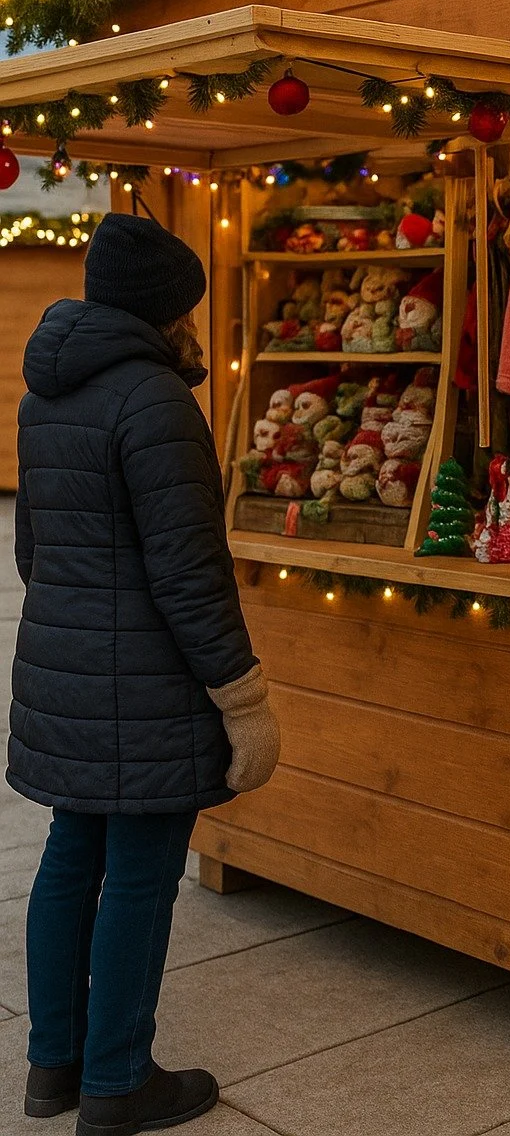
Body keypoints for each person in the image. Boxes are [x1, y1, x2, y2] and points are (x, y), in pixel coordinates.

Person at [7, 213, 280, 1136]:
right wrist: (242, 698)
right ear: (166, 311)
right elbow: (190, 574)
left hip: (65, 672)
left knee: (69, 857)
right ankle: (120, 1080)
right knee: (136, 877)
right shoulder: (156, 403)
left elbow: (33, 552)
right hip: (149, 688)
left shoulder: (44, 392)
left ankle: (55, 1068)